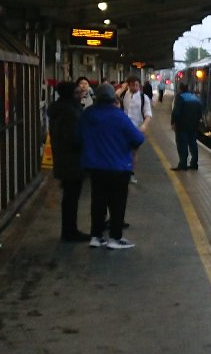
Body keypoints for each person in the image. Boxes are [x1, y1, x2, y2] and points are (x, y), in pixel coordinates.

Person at [79, 82, 144, 249]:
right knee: (117, 203)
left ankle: (96, 236)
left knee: (98, 202)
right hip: (118, 167)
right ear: (113, 98)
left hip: (95, 167)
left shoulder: (87, 114)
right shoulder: (119, 117)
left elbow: (78, 136)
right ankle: (115, 238)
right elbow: (138, 138)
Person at [47, 81, 90, 241]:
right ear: (70, 95)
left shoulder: (59, 110)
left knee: (69, 197)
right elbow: (74, 138)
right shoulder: (70, 112)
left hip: (63, 159)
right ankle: (70, 231)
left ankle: (69, 230)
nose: (80, 95)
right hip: (72, 161)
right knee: (71, 198)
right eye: (77, 93)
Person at [121, 76, 153, 183]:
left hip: (136, 128)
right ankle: (123, 171)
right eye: (132, 85)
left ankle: (131, 173)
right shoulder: (123, 95)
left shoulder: (144, 98)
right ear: (128, 85)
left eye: (136, 85)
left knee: (133, 152)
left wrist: (144, 125)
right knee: (122, 150)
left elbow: (148, 114)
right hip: (122, 128)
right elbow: (113, 98)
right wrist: (122, 88)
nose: (134, 87)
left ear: (139, 86)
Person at [171, 82, 204, 170]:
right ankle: (194, 164)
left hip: (182, 126)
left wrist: (173, 123)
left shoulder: (180, 97)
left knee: (182, 145)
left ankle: (183, 165)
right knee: (193, 144)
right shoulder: (195, 98)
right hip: (194, 126)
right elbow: (200, 112)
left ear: (180, 89)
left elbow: (176, 112)